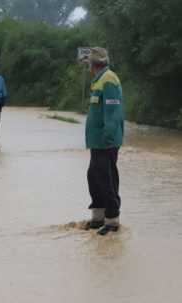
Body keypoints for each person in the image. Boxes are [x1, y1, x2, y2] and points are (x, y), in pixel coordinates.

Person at [85, 47, 124, 236]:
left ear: (93, 63)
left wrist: (108, 137)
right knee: (94, 176)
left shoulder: (108, 80)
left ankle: (112, 219)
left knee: (106, 178)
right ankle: (98, 217)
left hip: (106, 141)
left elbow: (112, 112)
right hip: (97, 141)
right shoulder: (99, 79)